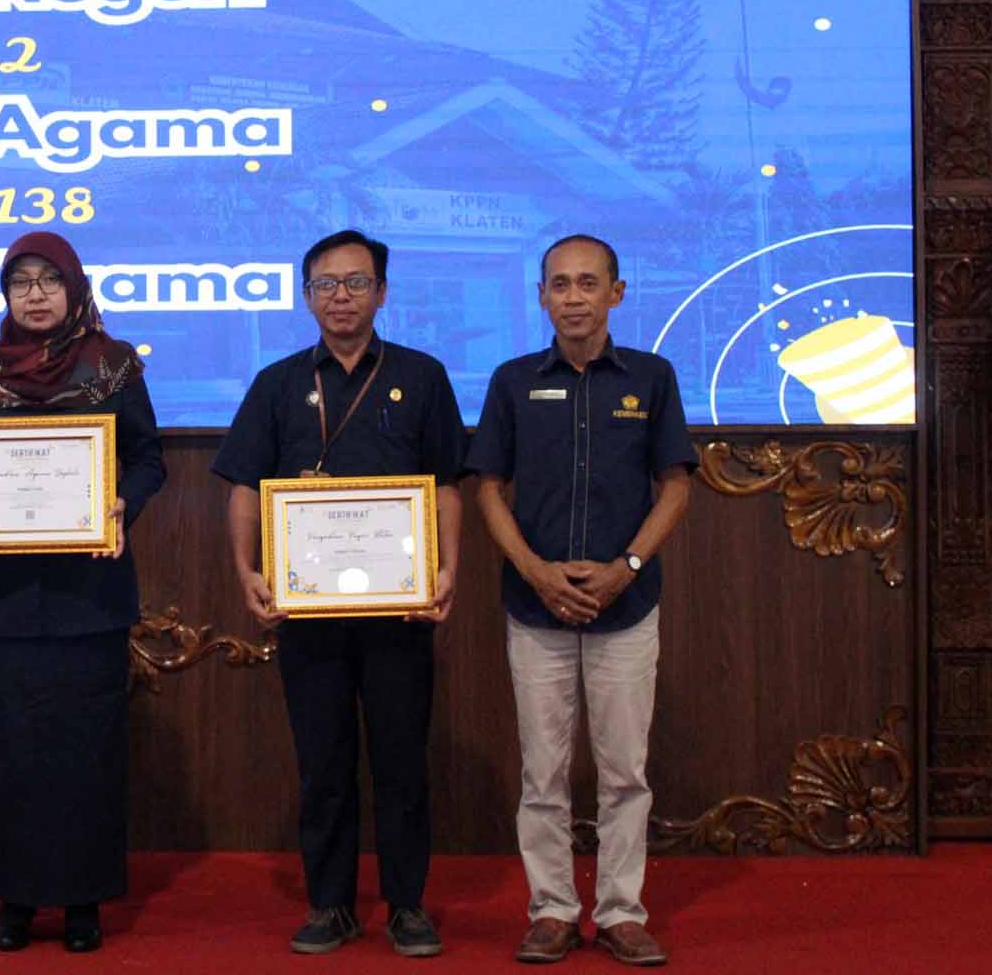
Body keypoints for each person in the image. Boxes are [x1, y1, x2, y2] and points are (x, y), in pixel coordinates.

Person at [211, 228, 465, 958]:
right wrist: (247, 570)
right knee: (323, 764)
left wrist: (448, 569)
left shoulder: (421, 376)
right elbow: (245, 487)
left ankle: (407, 906)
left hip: (398, 611)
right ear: (306, 297)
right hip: (309, 613)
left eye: (356, 283)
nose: (341, 297)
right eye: (326, 285)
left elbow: (447, 483)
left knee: (401, 762)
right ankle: (330, 904)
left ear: (381, 292)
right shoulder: (278, 383)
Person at [465, 234, 693, 967]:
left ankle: (622, 912)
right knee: (543, 774)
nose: (573, 297)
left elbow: (676, 486)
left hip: (627, 607)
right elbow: (488, 488)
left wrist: (627, 567)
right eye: (559, 284)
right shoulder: (511, 381)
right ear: (541, 297)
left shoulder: (652, 378)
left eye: (588, 283)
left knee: (625, 772)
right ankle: (553, 911)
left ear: (616, 294)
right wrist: (536, 571)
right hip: (536, 609)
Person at [0, 230, 165, 954]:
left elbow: (148, 459)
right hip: (2, 597)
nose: (34, 295)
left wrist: (122, 504)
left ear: (74, 287)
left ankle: (82, 899)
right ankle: (15, 897)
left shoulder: (113, 365)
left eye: (48, 281)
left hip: (86, 595)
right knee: (6, 749)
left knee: (84, 750)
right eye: (20, 282)